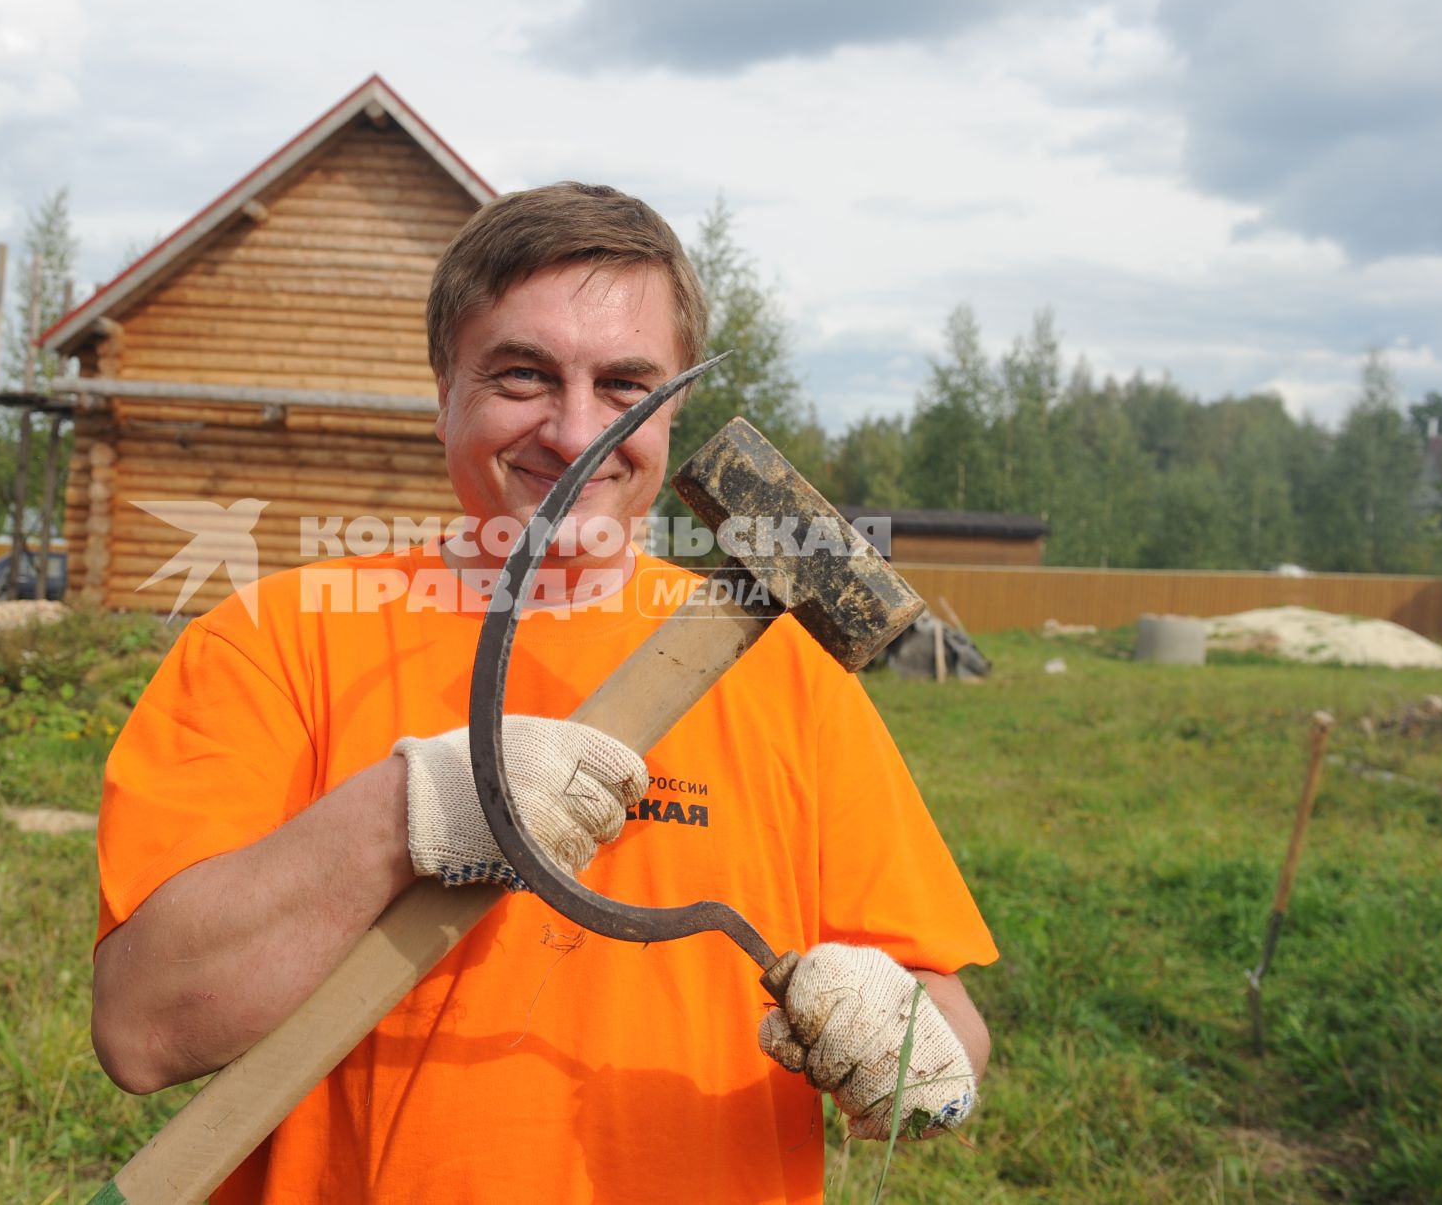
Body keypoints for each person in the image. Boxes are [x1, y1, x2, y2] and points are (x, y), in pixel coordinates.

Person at [92, 182, 997, 1203]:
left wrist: (913, 1053)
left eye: (625, 385)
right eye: (523, 375)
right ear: (444, 391)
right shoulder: (272, 641)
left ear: (677, 413)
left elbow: (949, 1025)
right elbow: (144, 1026)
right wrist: (409, 812)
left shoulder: (789, 675)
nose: (576, 432)